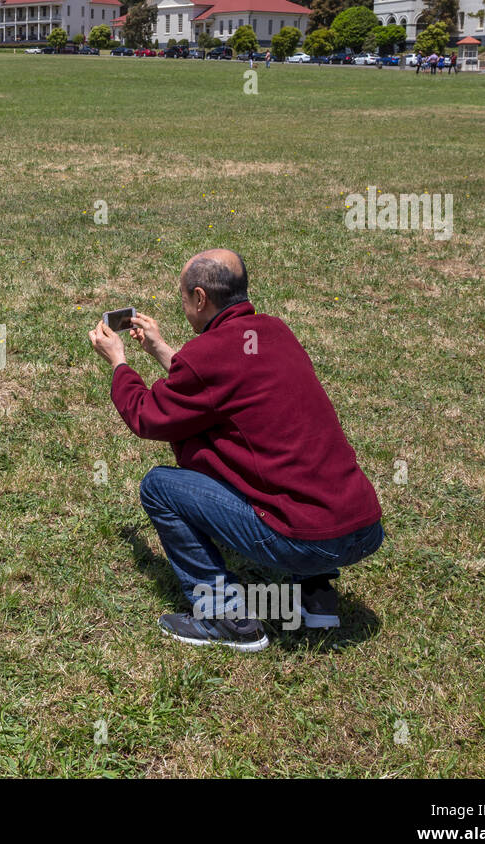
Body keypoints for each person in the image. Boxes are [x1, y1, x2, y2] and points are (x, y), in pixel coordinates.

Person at [87, 249, 383, 651]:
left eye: (182, 298)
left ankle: (225, 619)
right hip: (362, 526)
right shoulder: (274, 332)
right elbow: (214, 385)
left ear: (199, 298)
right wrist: (160, 348)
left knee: (159, 486)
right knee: (292, 458)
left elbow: (148, 417)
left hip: (308, 540)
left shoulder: (210, 355)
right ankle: (316, 599)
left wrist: (119, 363)